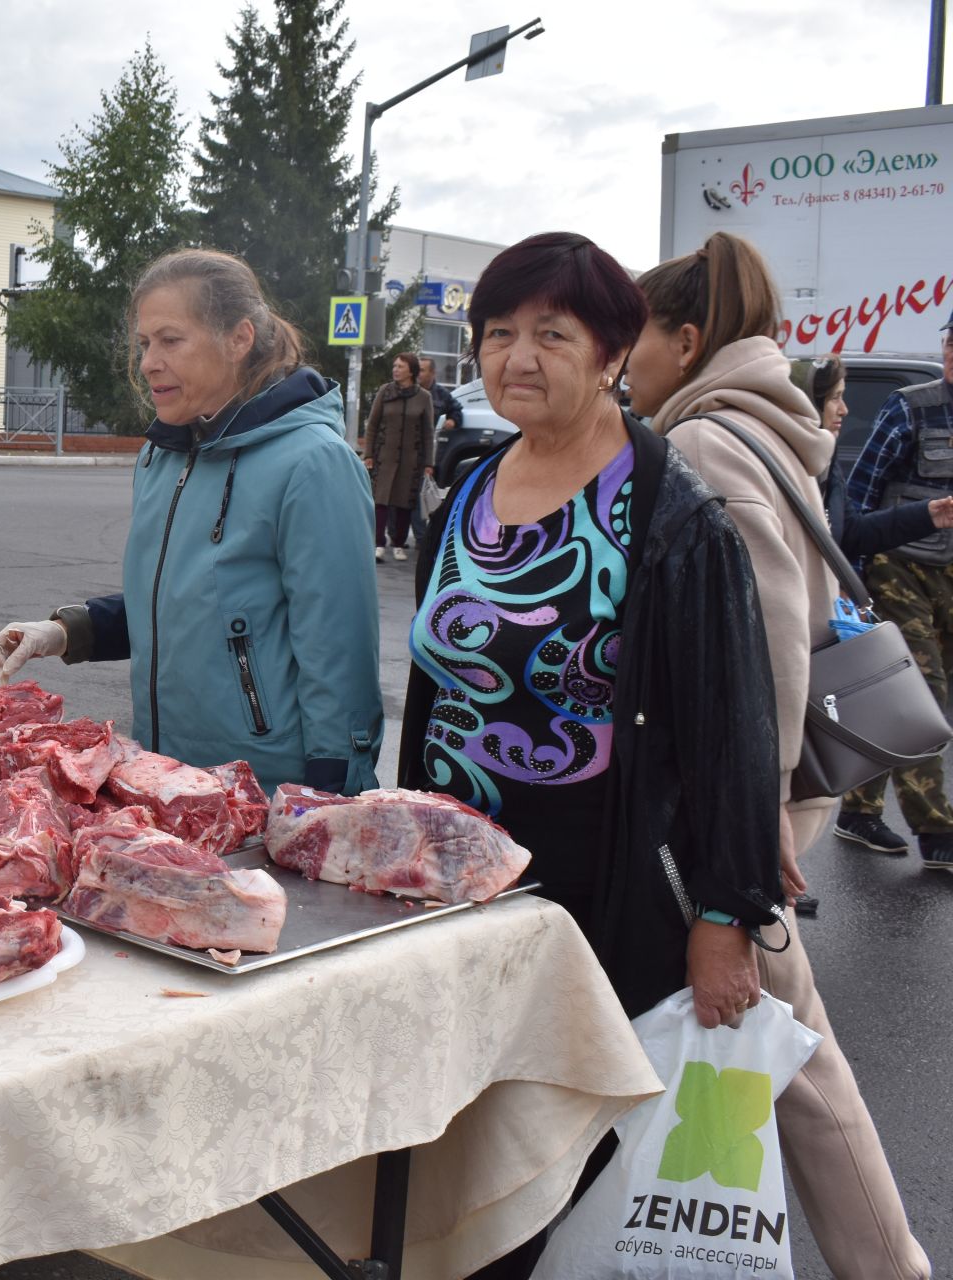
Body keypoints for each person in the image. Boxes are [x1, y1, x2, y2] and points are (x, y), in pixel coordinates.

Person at [399, 233, 783, 1276]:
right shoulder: (468, 493)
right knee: (467, 1147)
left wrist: (724, 916)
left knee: (569, 1164)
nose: (517, 357)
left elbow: (727, 724)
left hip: (593, 889)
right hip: (456, 884)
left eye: (550, 335)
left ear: (614, 348)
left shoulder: (666, 511)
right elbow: (436, 683)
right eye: (497, 334)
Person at [626, 230, 930, 1280]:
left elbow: (758, 655)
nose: (627, 359)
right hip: (753, 797)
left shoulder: (710, 443)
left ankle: (886, 1263)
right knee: (779, 1042)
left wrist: (742, 849)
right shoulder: (762, 422)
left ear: (688, 336)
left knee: (790, 1051)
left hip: (749, 802)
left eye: (638, 337)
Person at [0, 248, 381, 794]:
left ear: (238, 339)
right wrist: (64, 630)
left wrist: (329, 802)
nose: (148, 362)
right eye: (144, 343)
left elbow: (341, 663)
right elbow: (178, 605)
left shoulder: (314, 463)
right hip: (168, 780)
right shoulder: (164, 454)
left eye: (170, 340)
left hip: (268, 791)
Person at [834, 311, 953, 869]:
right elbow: (856, 503)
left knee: (925, 699)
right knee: (917, 695)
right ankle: (937, 831)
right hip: (899, 567)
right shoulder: (910, 407)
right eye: (950, 342)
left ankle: (858, 809)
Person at [810, 355, 953, 564]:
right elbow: (863, 492)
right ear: (809, 404)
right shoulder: (785, 462)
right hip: (906, 573)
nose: (844, 410)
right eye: (835, 397)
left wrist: (927, 515)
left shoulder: (828, 460)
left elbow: (852, 531)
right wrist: (853, 577)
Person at [361, 351, 434, 561]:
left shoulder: (423, 397)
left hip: (411, 460)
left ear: (411, 371)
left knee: (404, 502)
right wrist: (369, 454)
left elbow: (428, 432)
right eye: (394, 366)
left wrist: (429, 462)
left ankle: (399, 544)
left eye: (400, 367)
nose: (395, 370)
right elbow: (372, 425)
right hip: (384, 455)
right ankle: (378, 543)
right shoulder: (385, 392)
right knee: (381, 500)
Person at [417, 356, 463, 431]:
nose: (417, 373)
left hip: (430, 439)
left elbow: (456, 410)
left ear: (433, 373)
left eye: (421, 370)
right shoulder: (409, 391)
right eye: (417, 370)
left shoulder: (442, 394)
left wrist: (452, 420)